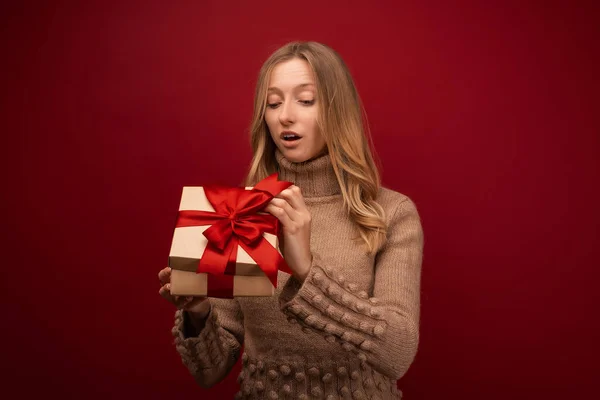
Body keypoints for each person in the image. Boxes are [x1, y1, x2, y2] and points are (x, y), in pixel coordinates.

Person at [158, 41, 424, 399]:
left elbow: (399, 352)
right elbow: (210, 370)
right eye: (273, 102)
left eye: (305, 100)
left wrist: (306, 269)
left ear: (335, 110)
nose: (285, 115)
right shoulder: (241, 213)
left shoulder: (390, 213)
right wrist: (199, 311)